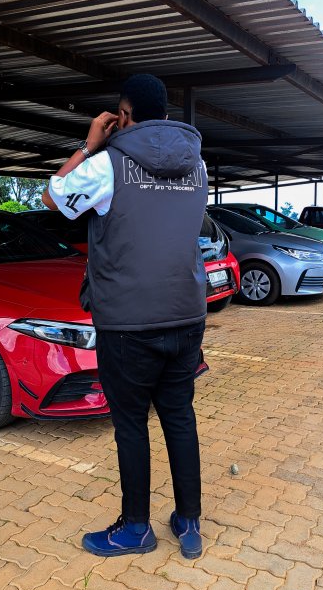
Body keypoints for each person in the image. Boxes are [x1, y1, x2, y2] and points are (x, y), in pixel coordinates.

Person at [42, 73, 208, 559]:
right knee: (179, 417)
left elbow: (52, 198)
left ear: (124, 114)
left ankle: (135, 528)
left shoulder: (108, 163)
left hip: (128, 323)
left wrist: (89, 145)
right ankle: (189, 522)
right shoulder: (198, 165)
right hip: (186, 314)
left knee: (131, 423)